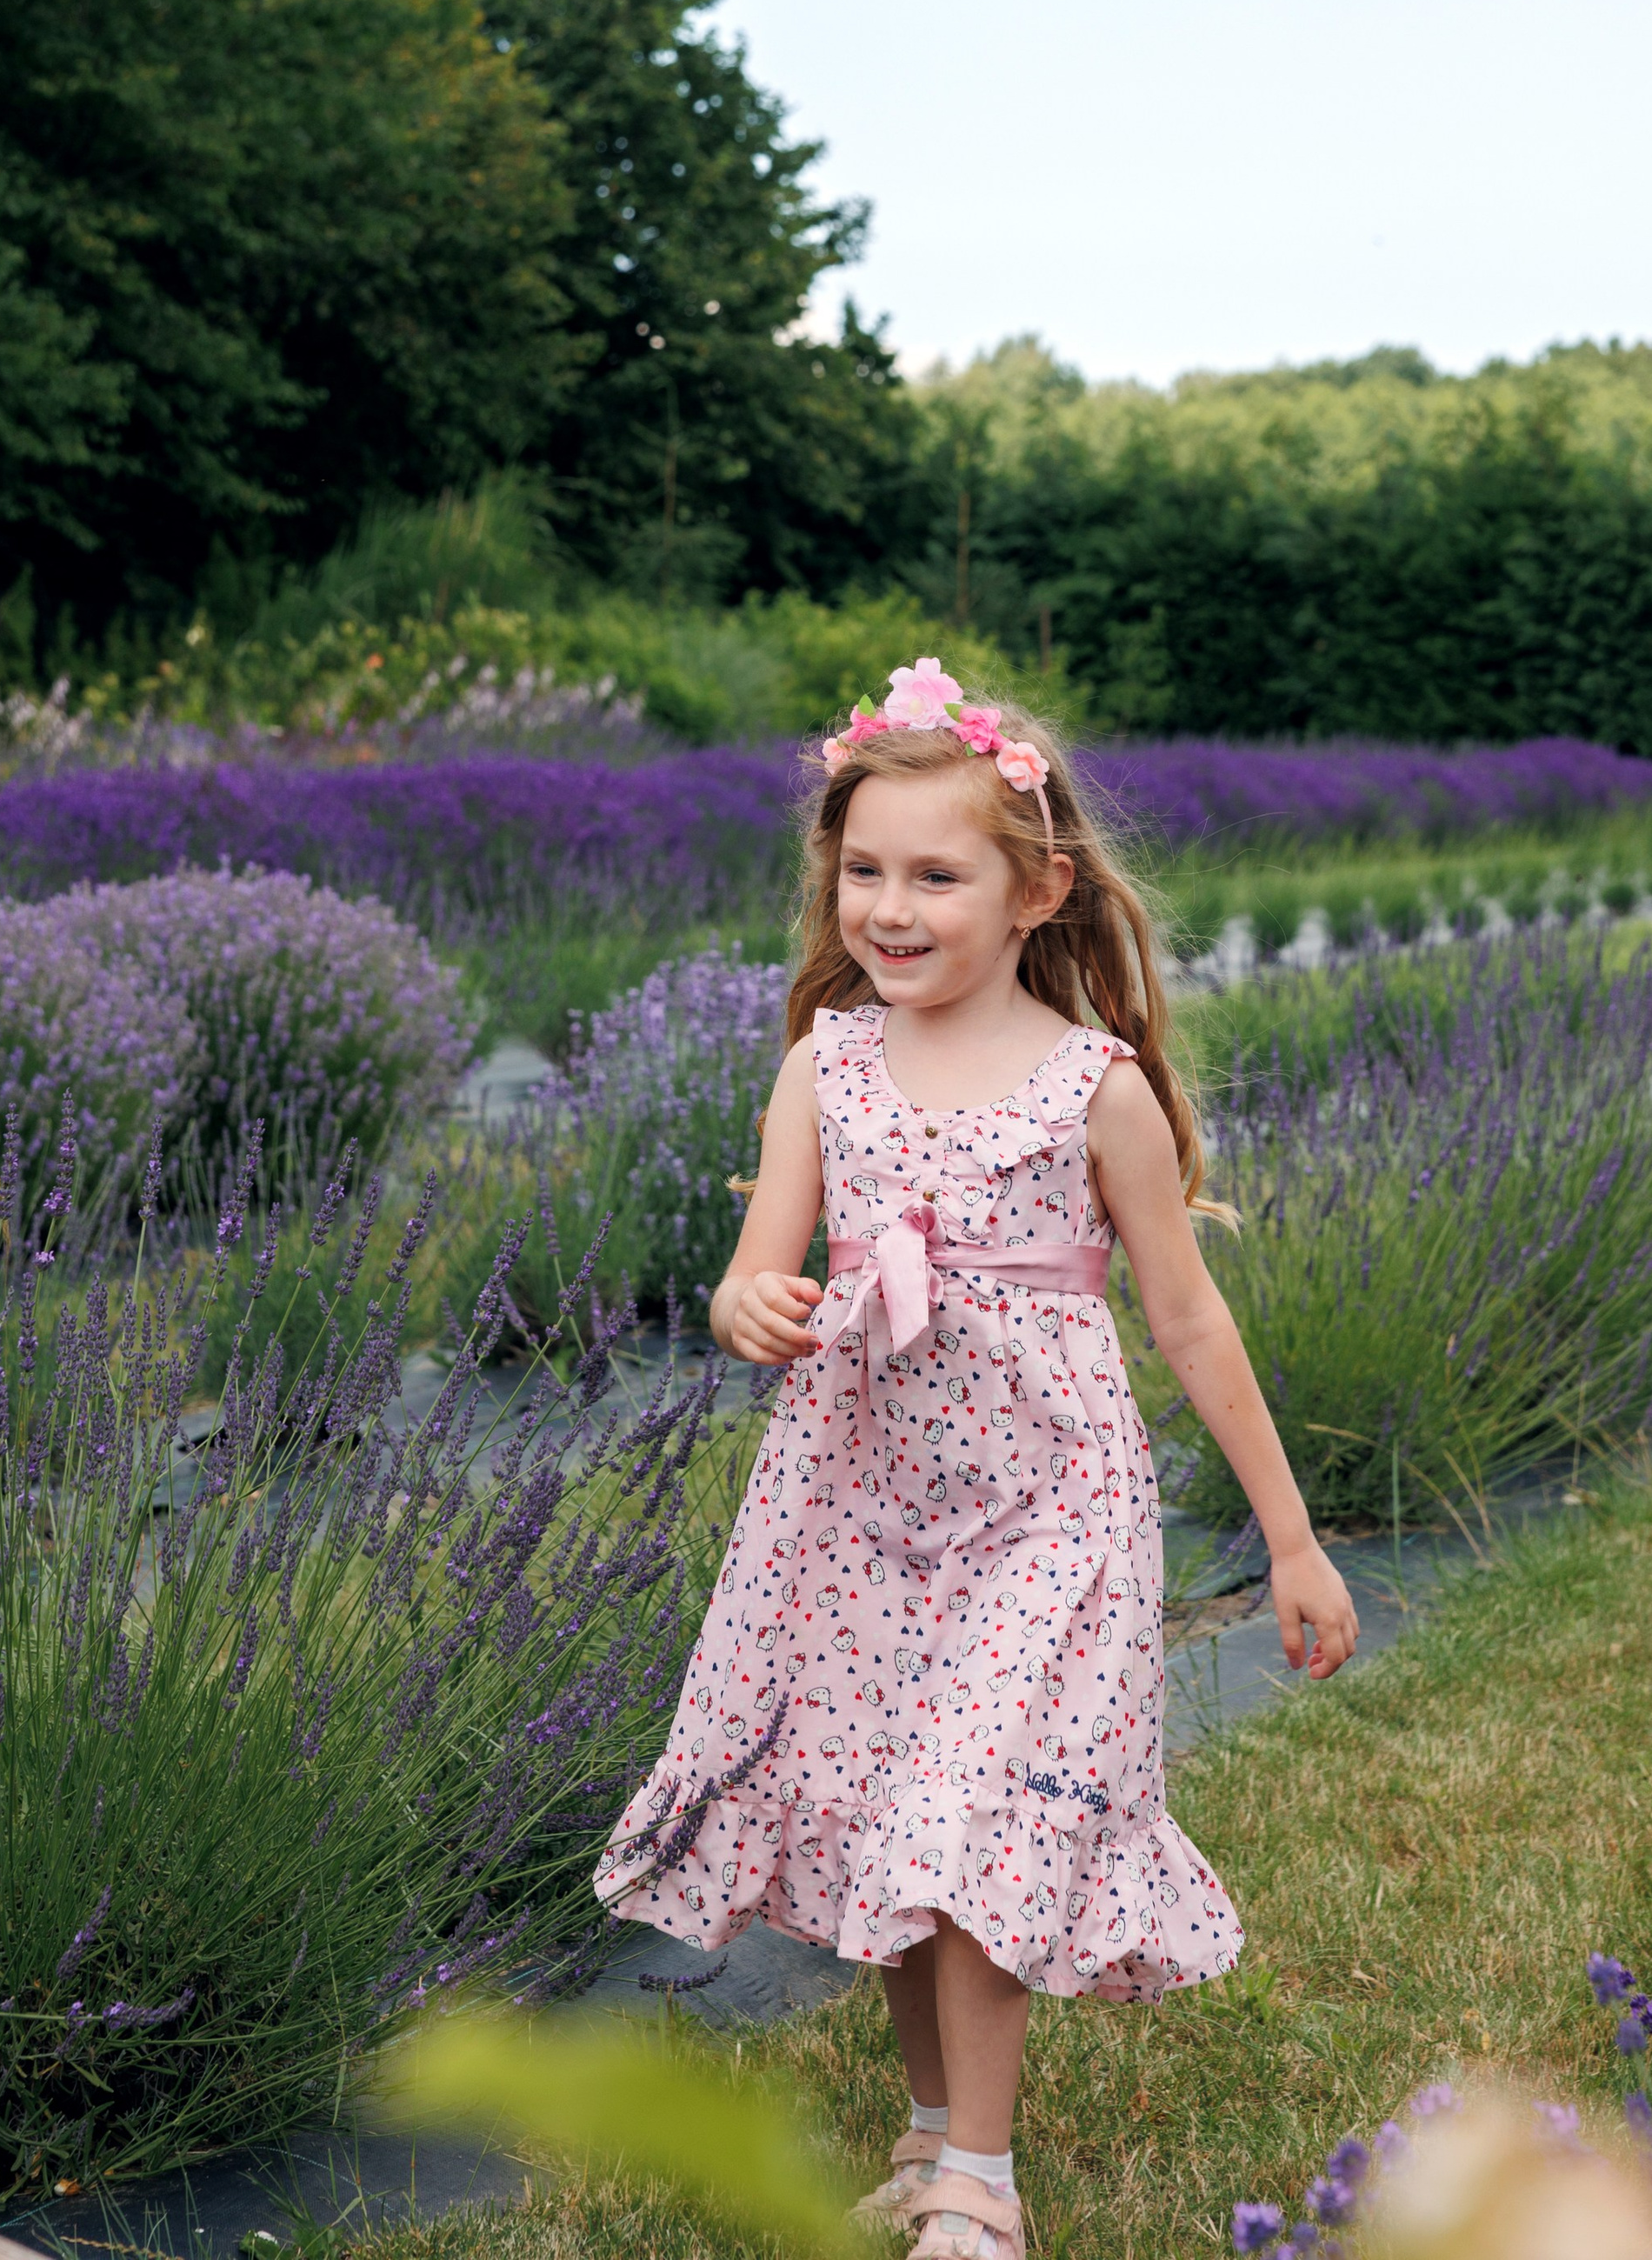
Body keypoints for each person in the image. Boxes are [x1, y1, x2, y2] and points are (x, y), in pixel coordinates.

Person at [594, 662, 1358, 2260]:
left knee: (975, 1821)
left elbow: (1190, 1322)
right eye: (862, 870)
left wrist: (1292, 1541)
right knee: (887, 1813)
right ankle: (934, 2128)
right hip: (855, 1503)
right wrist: (751, 1302)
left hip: (1049, 1511)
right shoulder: (827, 1066)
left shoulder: (1099, 1091)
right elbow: (755, 1263)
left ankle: (984, 2187)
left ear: (1037, 892)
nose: (888, 905)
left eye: (934, 874)